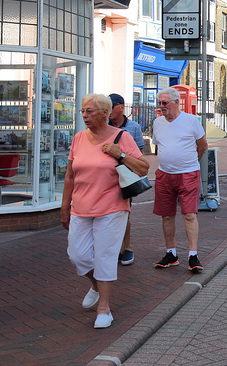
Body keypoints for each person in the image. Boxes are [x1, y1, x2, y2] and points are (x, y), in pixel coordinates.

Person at [61, 93, 149, 329]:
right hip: (80, 207)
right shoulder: (79, 138)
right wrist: (64, 207)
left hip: (111, 207)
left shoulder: (122, 136)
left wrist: (119, 154)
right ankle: (97, 285)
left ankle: (104, 308)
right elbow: (70, 176)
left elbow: (143, 168)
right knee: (77, 255)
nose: (84, 116)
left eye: (89, 111)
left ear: (104, 113)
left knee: (105, 256)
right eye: (82, 111)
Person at [152, 87, 208, 273]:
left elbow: (203, 146)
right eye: (159, 103)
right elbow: (158, 146)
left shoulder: (191, 121)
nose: (161, 107)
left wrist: (190, 163)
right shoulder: (158, 123)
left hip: (188, 174)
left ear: (176, 103)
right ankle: (171, 253)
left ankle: (193, 255)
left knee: (189, 214)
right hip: (164, 174)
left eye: (165, 103)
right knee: (166, 214)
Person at [108, 93, 145, 266]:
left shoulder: (134, 127)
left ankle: (127, 248)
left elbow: (139, 156)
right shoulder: (103, 127)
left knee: (124, 214)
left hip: (124, 177)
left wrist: (124, 159)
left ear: (121, 107)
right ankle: (113, 248)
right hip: (105, 177)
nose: (108, 110)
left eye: (112, 105)